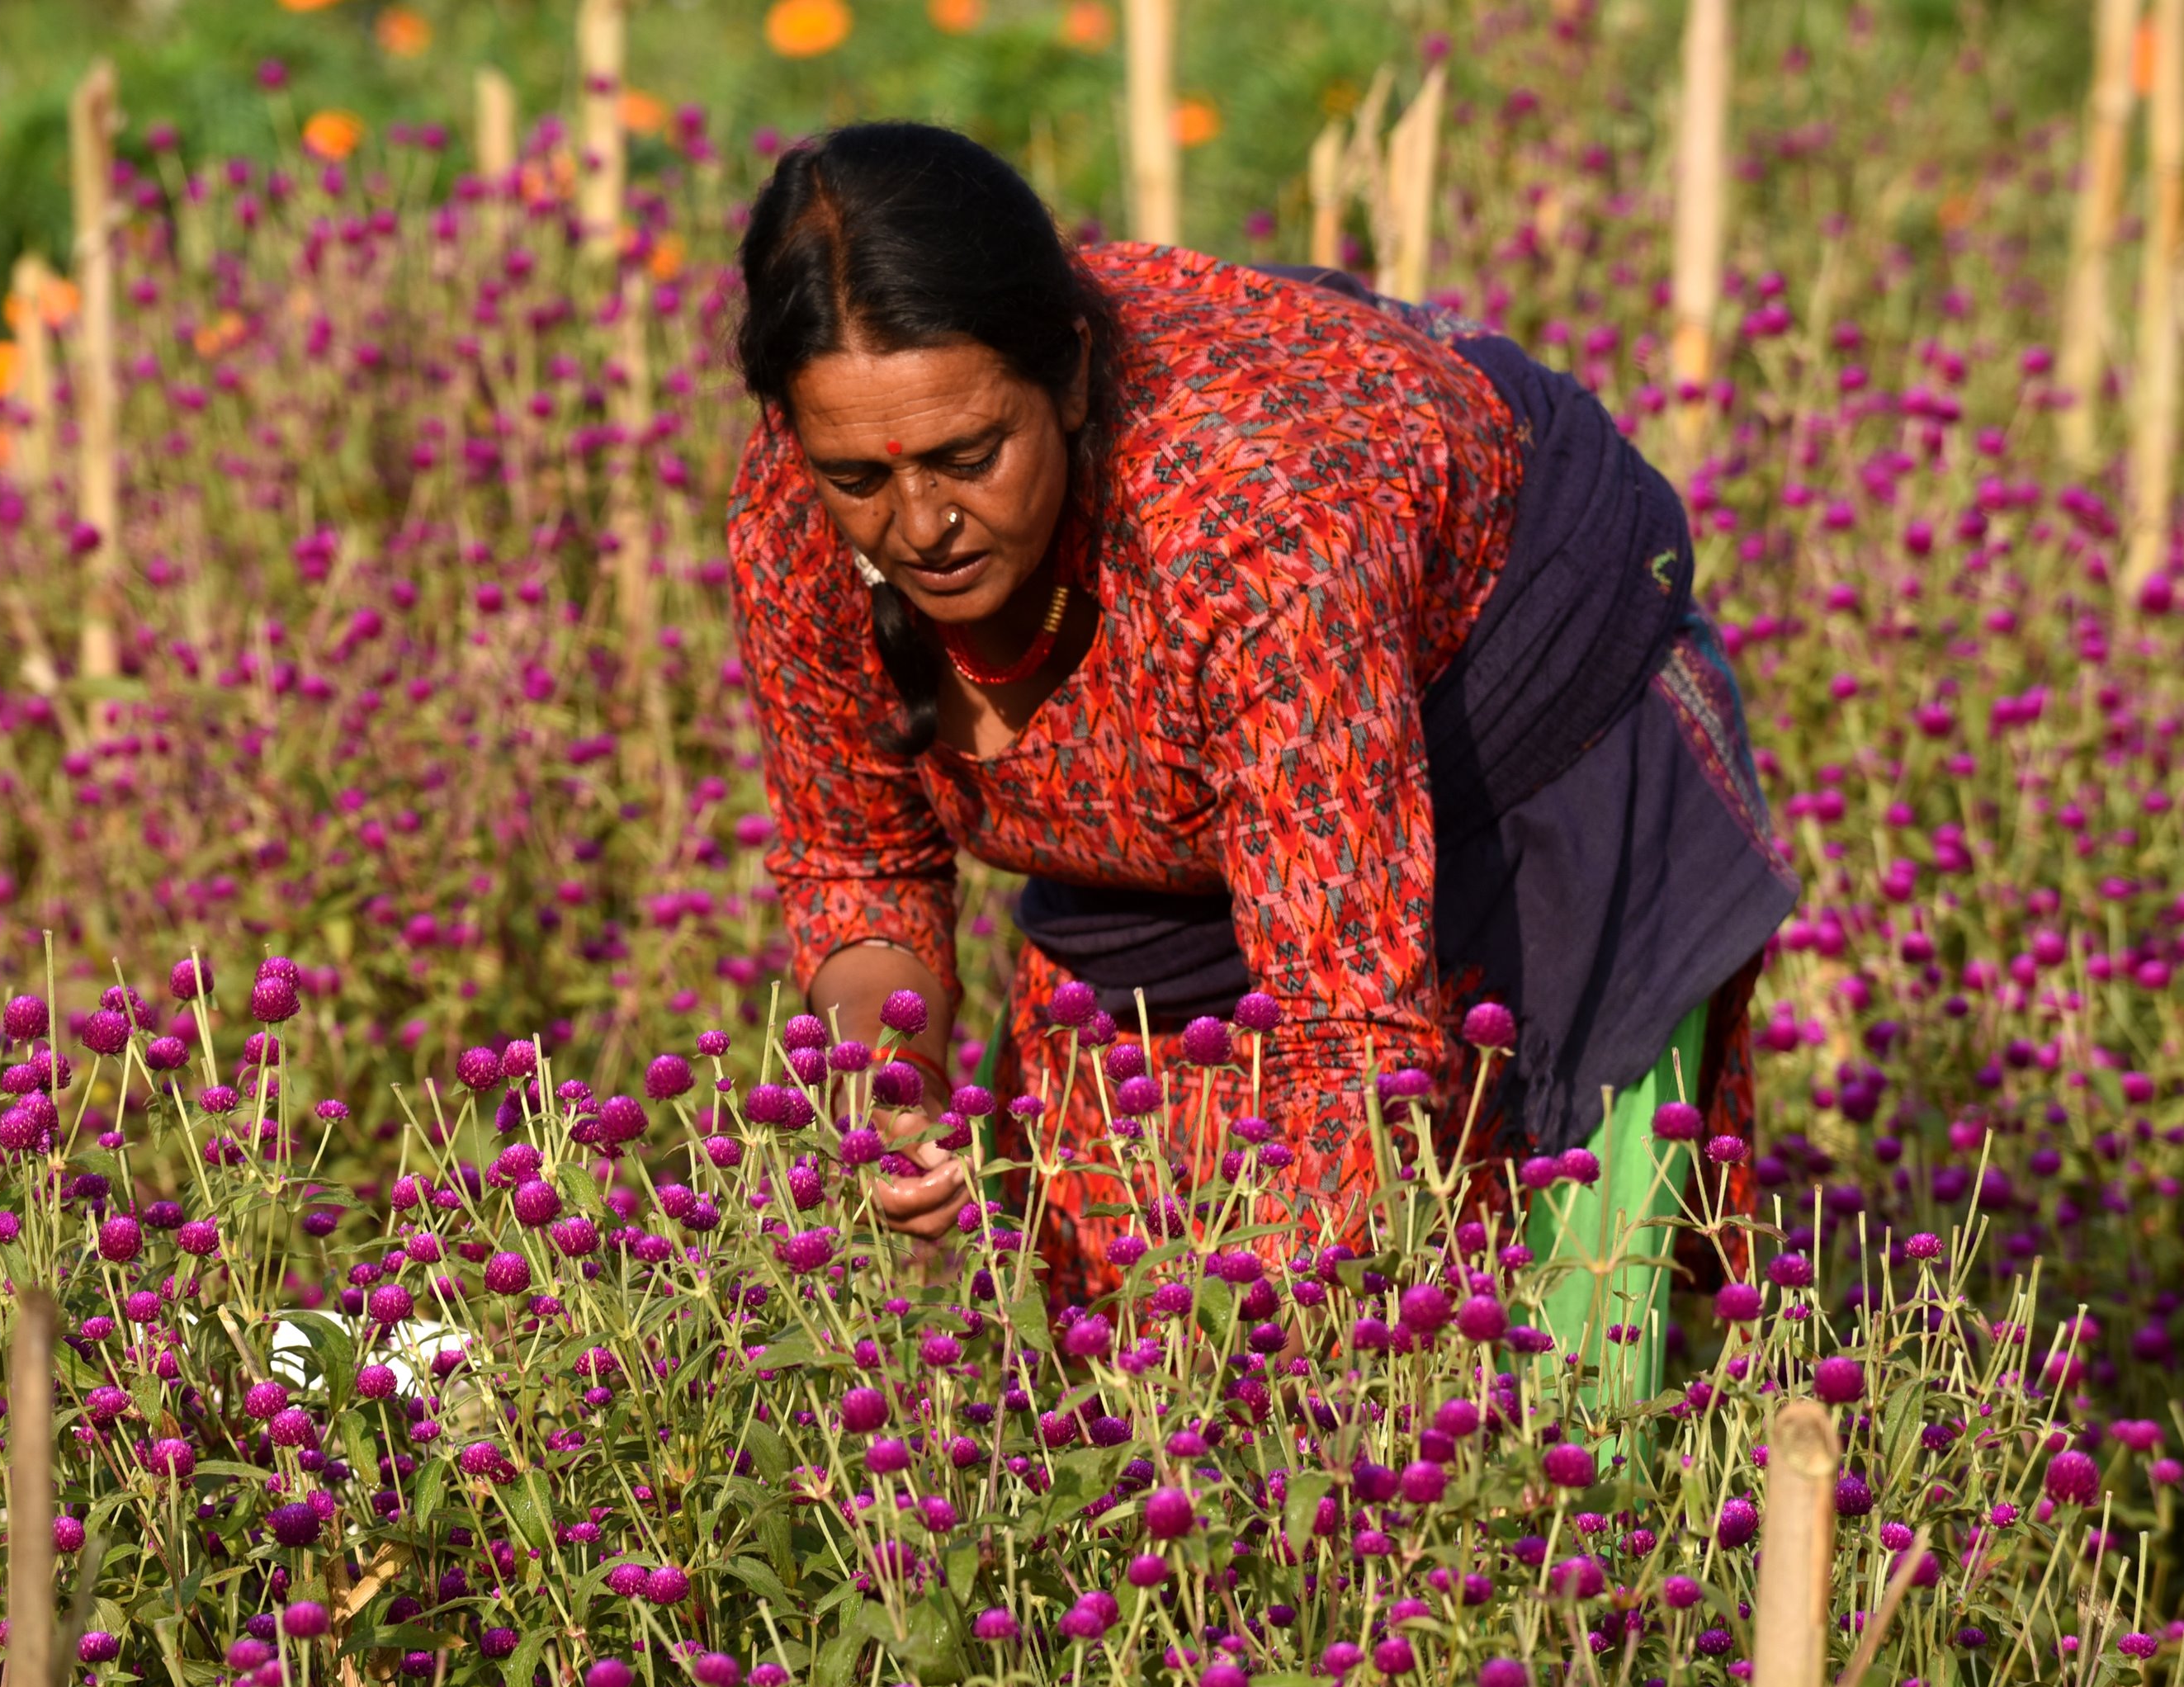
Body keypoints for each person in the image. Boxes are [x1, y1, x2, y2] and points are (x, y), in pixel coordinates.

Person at [725, 120, 1797, 1396]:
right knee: (1088, 1364)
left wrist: (1259, 1382)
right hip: (1196, 861)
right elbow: (859, 858)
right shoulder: (799, 520)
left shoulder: (1253, 529)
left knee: (1495, 1381)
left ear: (1068, 379)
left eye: (972, 456)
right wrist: (886, 1078)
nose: (920, 524)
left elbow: (1352, 1021)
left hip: (1507, 752)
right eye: (859, 476)